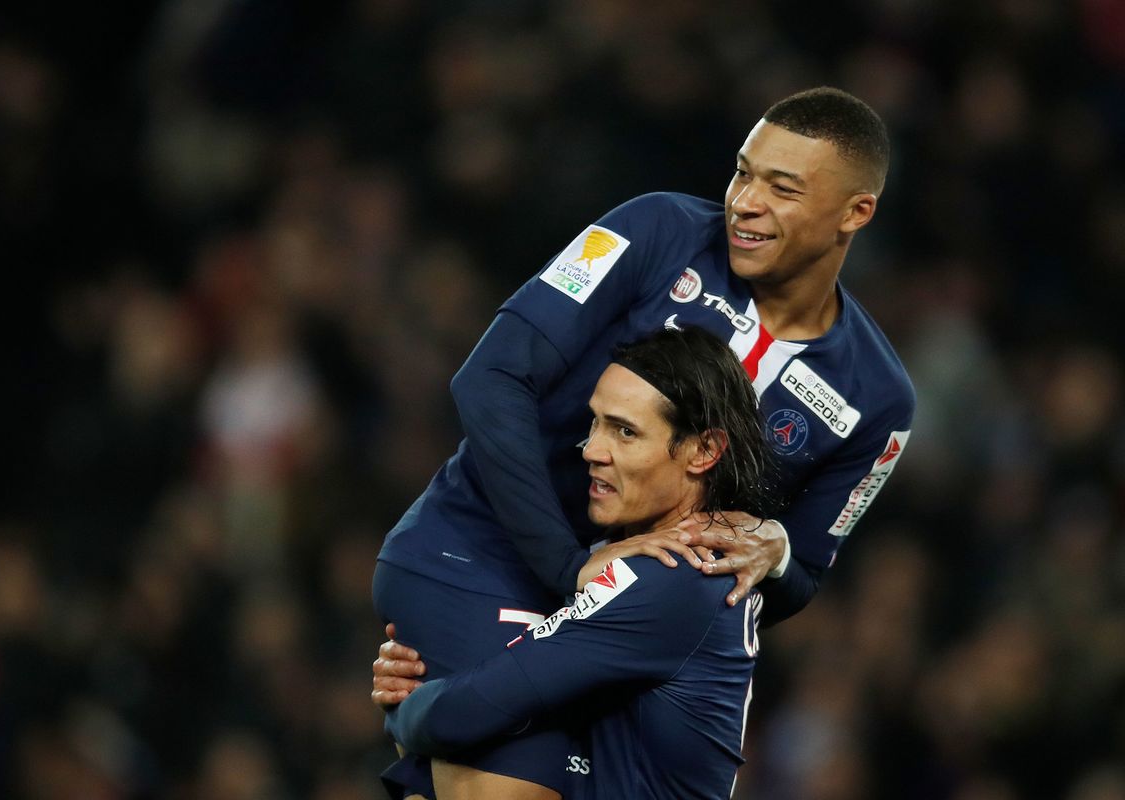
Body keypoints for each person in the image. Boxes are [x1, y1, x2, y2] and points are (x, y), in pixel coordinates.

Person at [373, 86, 915, 798]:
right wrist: (571, 566)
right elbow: (490, 378)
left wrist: (774, 549)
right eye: (742, 173)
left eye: (782, 189)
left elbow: (800, 573)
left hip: (621, 622)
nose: (745, 203)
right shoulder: (655, 230)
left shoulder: (876, 401)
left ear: (856, 212)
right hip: (482, 553)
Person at [382, 325, 772, 799]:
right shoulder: (665, 565)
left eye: (625, 432)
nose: (591, 450)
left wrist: (404, 706)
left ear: (704, 451)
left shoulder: (676, 579)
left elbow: (463, 711)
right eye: (595, 423)